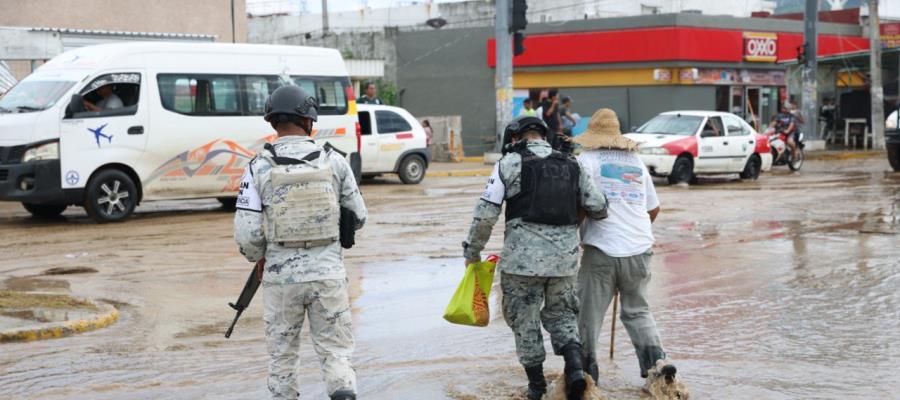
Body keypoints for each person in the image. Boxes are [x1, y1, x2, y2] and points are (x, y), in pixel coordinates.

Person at [234, 85, 367, 400]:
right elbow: (359, 216)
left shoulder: (257, 166)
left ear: (272, 122)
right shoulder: (335, 161)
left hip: (281, 281)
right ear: (309, 121)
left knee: (282, 360)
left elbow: (247, 235)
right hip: (328, 276)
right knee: (336, 353)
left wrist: (263, 255)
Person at [462, 115, 608, 400]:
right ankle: (576, 371)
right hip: (564, 263)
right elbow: (599, 206)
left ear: (515, 138)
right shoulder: (573, 164)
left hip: (521, 265)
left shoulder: (508, 164)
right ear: (544, 136)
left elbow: (485, 216)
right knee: (563, 315)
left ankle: (537, 388)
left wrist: (472, 253)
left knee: (524, 321)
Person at [572, 108, 677, 390]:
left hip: (601, 251)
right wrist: (632, 236)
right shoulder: (635, 161)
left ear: (592, 135)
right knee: (638, 312)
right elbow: (653, 209)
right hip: (640, 248)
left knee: (588, 315)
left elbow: (578, 208)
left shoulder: (585, 160)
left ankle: (586, 374)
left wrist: (575, 238)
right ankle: (658, 364)